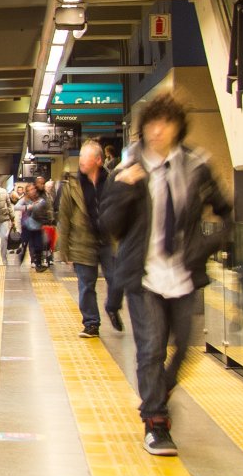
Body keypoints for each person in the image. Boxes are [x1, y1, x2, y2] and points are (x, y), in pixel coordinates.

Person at [100, 94, 234, 457]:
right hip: (143, 275)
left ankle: (159, 390)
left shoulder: (196, 166)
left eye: (165, 123)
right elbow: (110, 226)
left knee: (185, 349)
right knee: (151, 347)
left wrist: (207, 246)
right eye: (150, 124)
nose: (156, 131)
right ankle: (156, 421)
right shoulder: (126, 169)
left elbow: (225, 212)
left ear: (177, 127)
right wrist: (125, 189)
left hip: (183, 273)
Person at [57, 140, 123, 336]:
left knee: (116, 280)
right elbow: (65, 217)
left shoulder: (112, 181)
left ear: (98, 160)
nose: (81, 162)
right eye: (81, 157)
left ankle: (112, 306)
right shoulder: (72, 185)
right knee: (86, 286)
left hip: (109, 241)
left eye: (86, 157)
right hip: (81, 242)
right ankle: (91, 323)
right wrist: (64, 251)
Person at [15, 181, 51, 271]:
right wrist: (28, 207)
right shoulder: (25, 200)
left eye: (33, 189)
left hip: (37, 227)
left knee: (38, 246)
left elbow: (44, 208)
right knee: (24, 245)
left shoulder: (40, 199)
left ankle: (38, 265)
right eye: (29, 190)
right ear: (27, 192)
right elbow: (16, 207)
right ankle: (21, 258)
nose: (32, 191)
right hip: (27, 227)